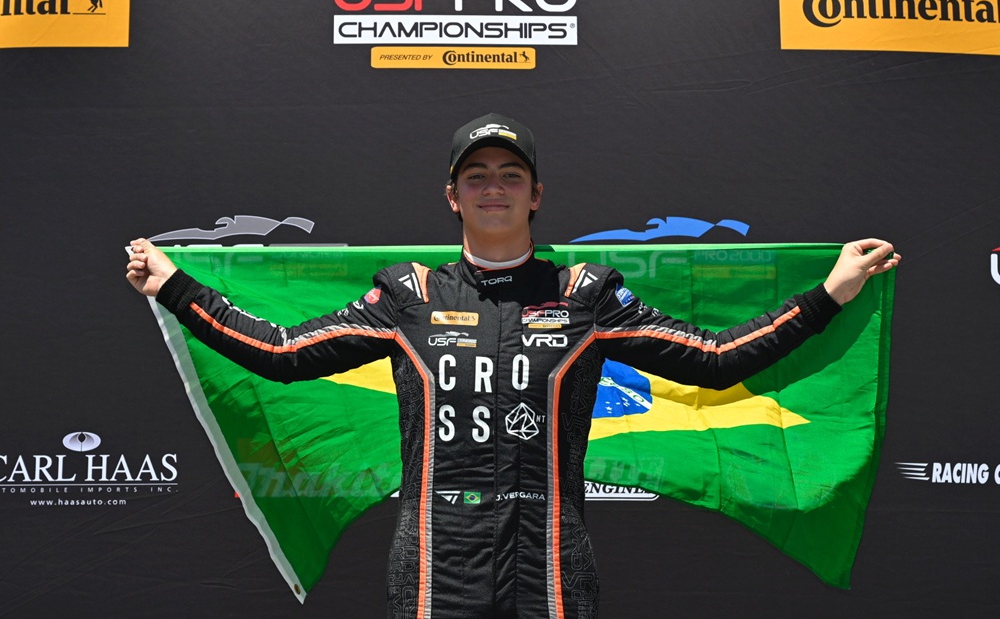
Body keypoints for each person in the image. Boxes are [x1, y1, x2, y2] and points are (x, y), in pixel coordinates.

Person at [126, 113, 900, 619]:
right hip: (435, 562)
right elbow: (282, 354)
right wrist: (177, 288)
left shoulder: (586, 295)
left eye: (509, 175)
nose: (492, 188)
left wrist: (829, 294)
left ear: (535, 196)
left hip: (551, 560)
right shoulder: (408, 296)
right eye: (476, 176)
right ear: (452, 197)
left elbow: (716, 360)